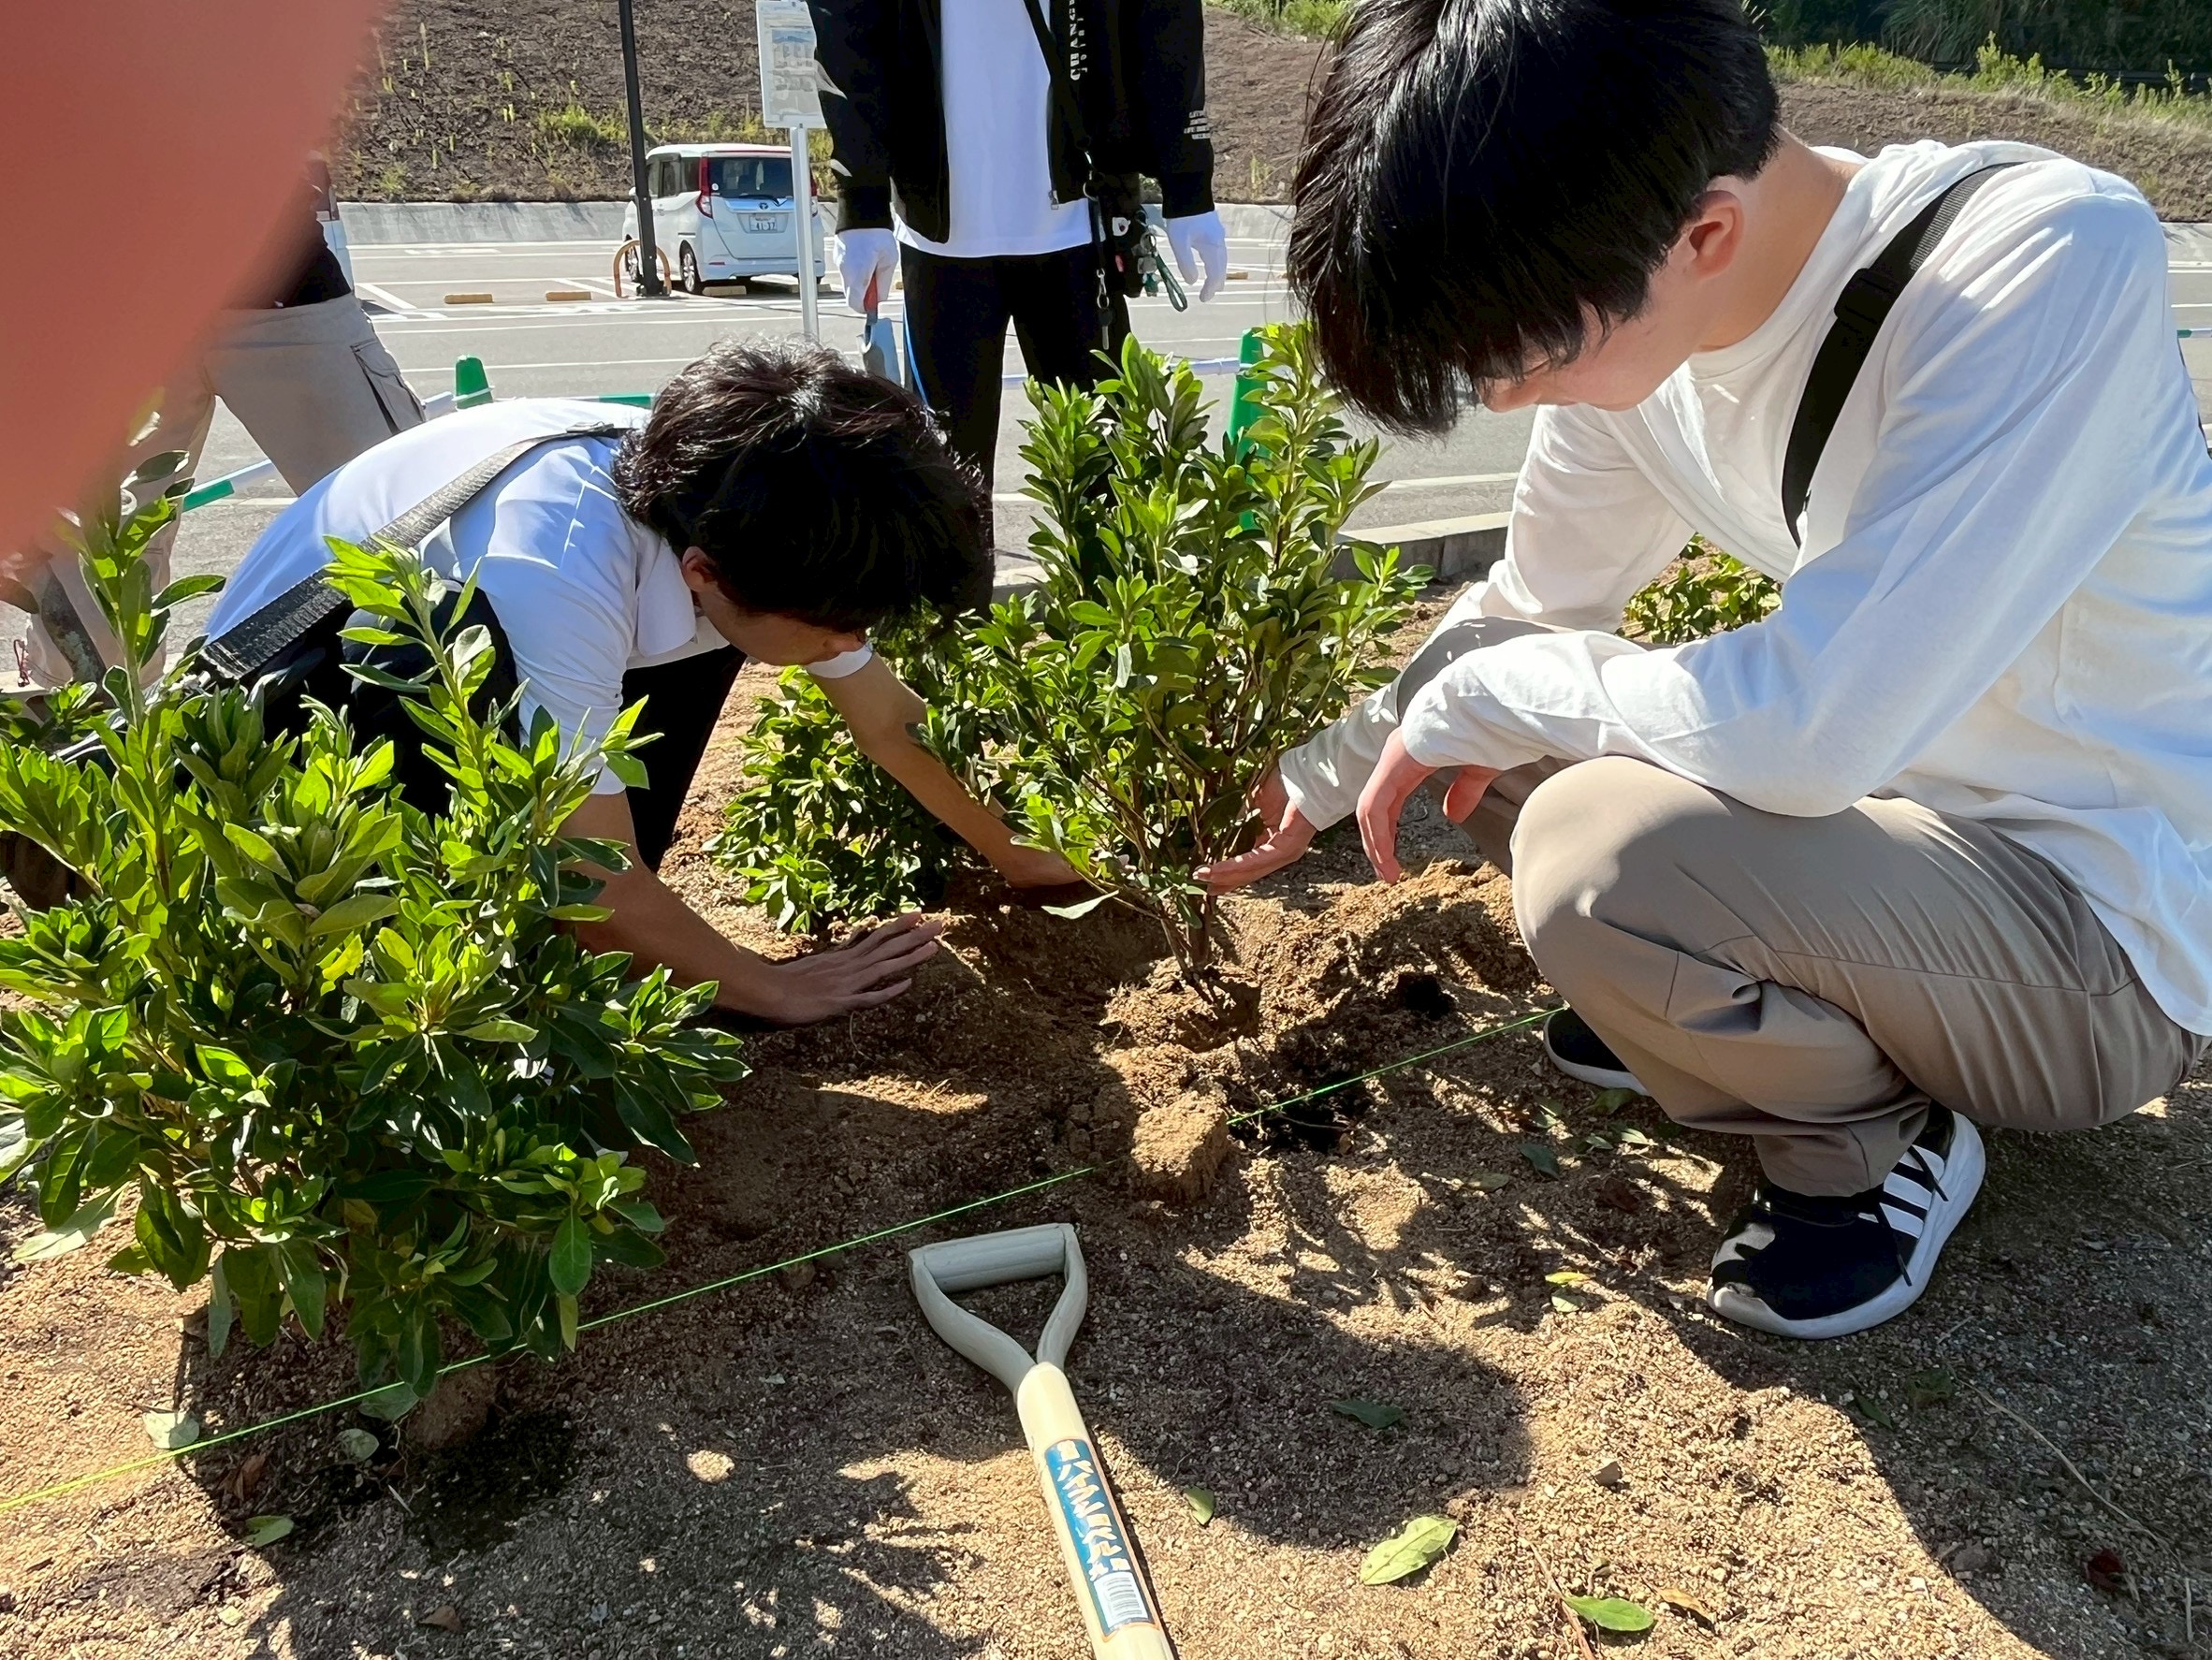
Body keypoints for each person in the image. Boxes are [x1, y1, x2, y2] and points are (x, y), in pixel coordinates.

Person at [1201, 0, 2212, 1340]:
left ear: (1706, 233)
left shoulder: (2036, 266)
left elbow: (1809, 730)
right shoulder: (1650, 334)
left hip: (2093, 931)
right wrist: (1320, 775)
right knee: (1487, 744)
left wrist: (1490, 696)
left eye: (1514, 356)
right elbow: (1533, 605)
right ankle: (1733, 999)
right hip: (1875, 835)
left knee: (1591, 847)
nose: (1502, 400)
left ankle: (1868, 1144)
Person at [205, 341, 1078, 1027]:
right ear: (703, 568)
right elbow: (591, 878)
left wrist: (1019, 851)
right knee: (565, 888)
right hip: (318, 708)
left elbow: (888, 721)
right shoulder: (548, 575)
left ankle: (620, 945)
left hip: (502, 634)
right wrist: (778, 990)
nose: (851, 645)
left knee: (742, 646)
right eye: (842, 627)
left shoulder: (753, 498)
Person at [808, 0, 1230, 513]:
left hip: (1079, 221)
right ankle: (958, 596)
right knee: (947, 494)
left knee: (1106, 484)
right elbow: (848, 35)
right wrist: (861, 202)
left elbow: (1163, 19)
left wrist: (1188, 187)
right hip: (940, 236)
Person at [18, 161, 424, 684]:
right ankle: (85, 733)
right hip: (118, 293)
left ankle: (445, 704)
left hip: (277, 280)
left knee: (409, 513)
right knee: (94, 556)